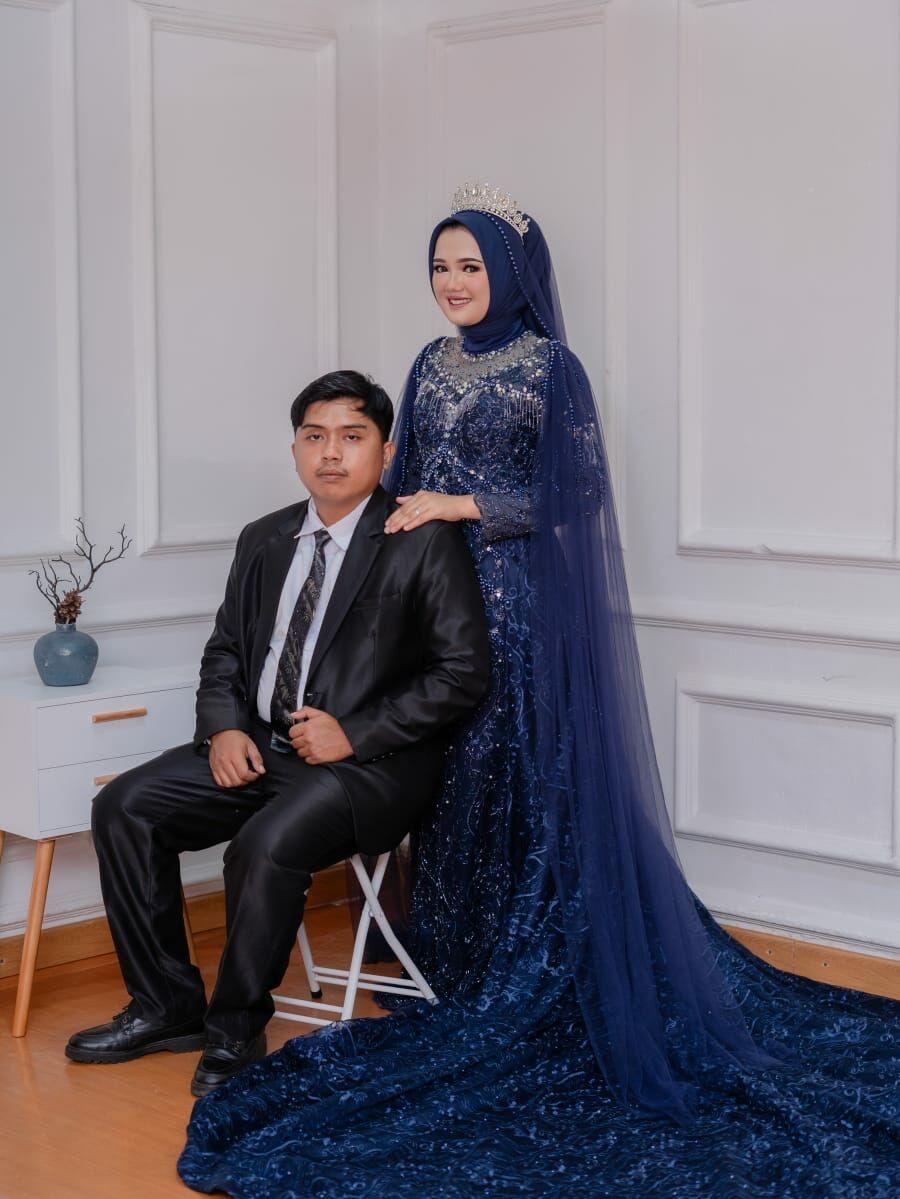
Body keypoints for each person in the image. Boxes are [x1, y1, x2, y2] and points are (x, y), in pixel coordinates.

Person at [179, 189, 899, 1196]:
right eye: (441, 266)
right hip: (425, 598)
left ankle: (531, 969)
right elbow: (397, 477)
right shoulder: (427, 364)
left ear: (511, 273)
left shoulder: (552, 367)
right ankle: (463, 962)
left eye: (471, 266)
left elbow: (579, 490)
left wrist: (464, 503)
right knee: (454, 778)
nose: (453, 283)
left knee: (523, 773)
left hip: (516, 606)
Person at [66, 369, 490, 1098]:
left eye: (352, 436)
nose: (332, 452)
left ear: (385, 452)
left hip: (369, 767)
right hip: (262, 745)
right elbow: (226, 651)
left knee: (264, 843)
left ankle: (235, 1029)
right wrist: (223, 730)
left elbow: (463, 673)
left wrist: (354, 733)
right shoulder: (263, 538)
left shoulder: (421, 540)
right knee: (124, 807)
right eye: (314, 436)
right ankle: (166, 1007)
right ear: (295, 448)